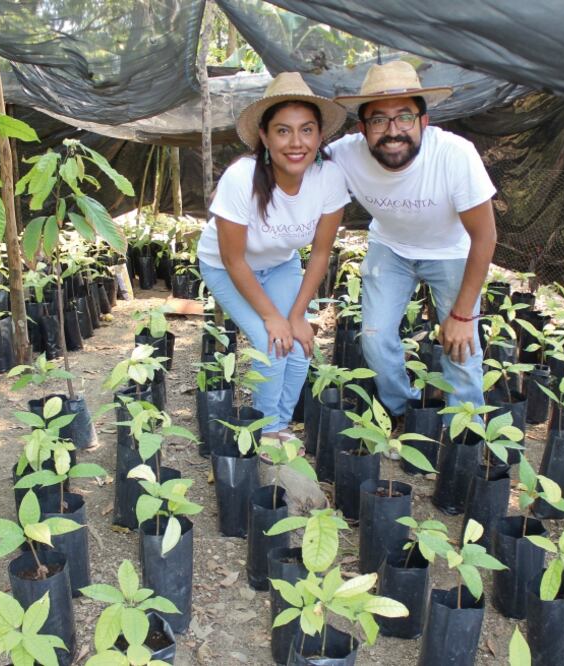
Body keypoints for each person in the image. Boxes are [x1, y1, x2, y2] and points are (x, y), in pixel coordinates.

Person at [329, 60, 498, 427]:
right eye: (378, 120)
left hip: (451, 252)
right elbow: (296, 167)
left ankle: (467, 432)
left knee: (461, 346)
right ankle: (405, 412)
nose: (393, 131)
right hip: (390, 248)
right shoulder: (344, 154)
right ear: (363, 128)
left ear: (424, 121)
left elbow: (484, 236)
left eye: (404, 117)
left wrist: (462, 314)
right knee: (373, 339)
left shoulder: (455, 156)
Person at [197, 72, 350, 440]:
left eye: (306, 130)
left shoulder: (328, 178)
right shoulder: (241, 178)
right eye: (283, 131)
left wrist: (297, 315)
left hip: (281, 264)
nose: (296, 142)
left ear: (319, 136)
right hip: (227, 268)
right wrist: (271, 317)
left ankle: (279, 425)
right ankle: (265, 432)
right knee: (273, 343)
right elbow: (234, 260)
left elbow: (321, 252)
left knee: (299, 345)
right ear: (264, 136)